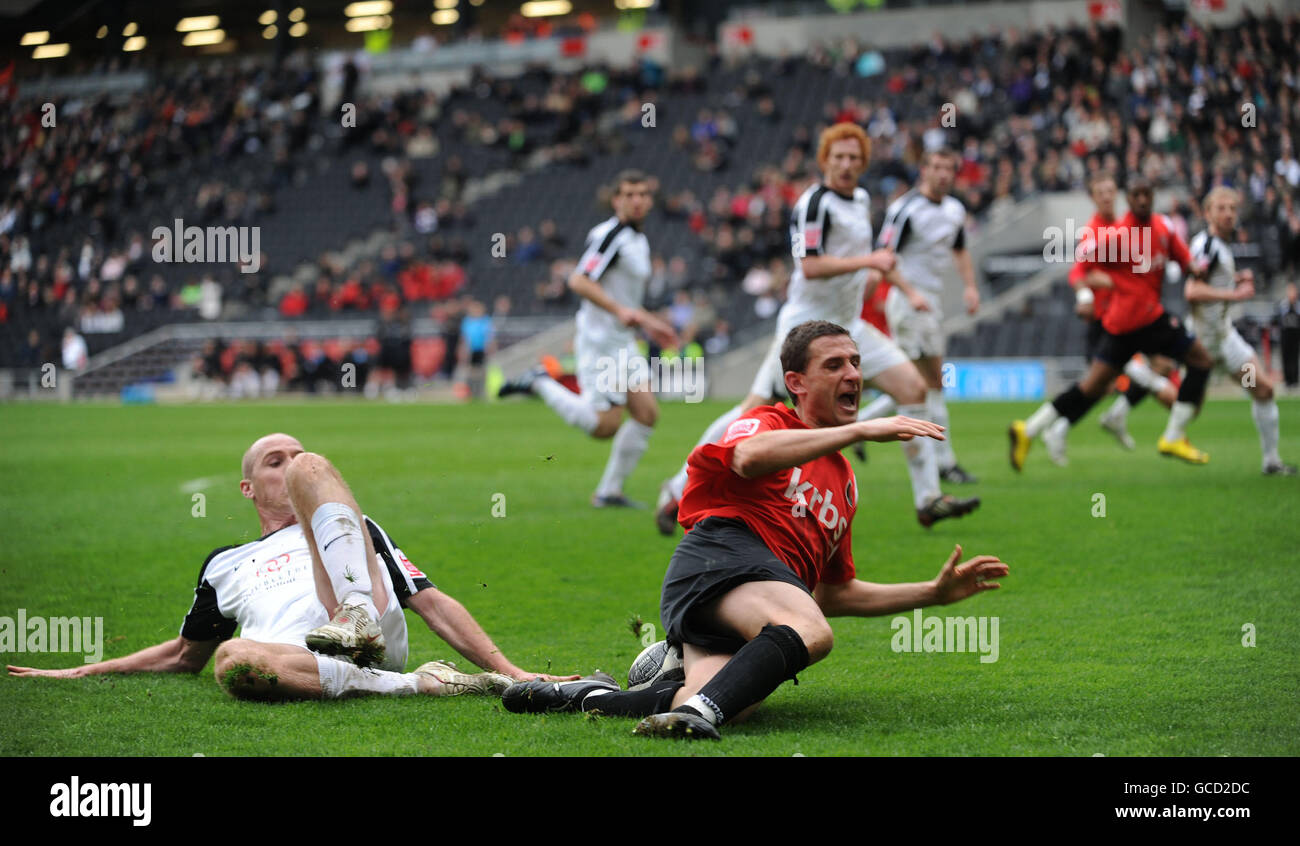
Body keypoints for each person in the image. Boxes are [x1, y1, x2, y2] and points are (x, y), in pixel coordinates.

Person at [502, 321, 1008, 740]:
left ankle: (584, 695)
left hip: (757, 593)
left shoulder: (847, 483)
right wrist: (858, 430)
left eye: (855, 362)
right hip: (718, 556)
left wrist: (933, 595)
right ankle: (701, 715)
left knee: (726, 698)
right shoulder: (765, 421)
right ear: (797, 383)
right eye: (834, 365)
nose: (852, 373)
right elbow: (746, 459)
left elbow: (832, 591)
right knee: (807, 633)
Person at [8, 433, 575, 701]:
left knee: (320, 482)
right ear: (248, 488)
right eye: (273, 462)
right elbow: (185, 656)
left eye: (292, 456)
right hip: (299, 661)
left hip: (366, 623)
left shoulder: (352, 529)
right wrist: (83, 671)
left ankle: (356, 620)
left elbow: (431, 602)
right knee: (232, 660)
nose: (289, 466)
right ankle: (412, 686)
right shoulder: (224, 564)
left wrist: (517, 671)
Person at [655, 125, 977, 532]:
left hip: (849, 326)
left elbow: (863, 261)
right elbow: (809, 265)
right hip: (804, 331)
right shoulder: (814, 203)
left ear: (863, 163)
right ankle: (679, 486)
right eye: (837, 157)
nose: (845, 165)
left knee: (914, 389)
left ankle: (929, 499)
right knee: (750, 413)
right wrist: (867, 263)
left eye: (853, 158)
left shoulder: (859, 199)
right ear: (824, 161)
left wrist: (872, 273)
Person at [498, 170, 680, 507]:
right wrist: (619, 311)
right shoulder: (611, 235)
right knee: (604, 427)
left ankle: (609, 492)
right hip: (600, 343)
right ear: (616, 200)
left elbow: (625, 300)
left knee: (646, 414)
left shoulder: (637, 240)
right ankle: (540, 382)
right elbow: (579, 281)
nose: (637, 200)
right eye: (629, 194)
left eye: (642, 193)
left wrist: (650, 323)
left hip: (621, 341)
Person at [1010, 178, 1217, 469]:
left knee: (1095, 387)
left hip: (1121, 323)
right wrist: (1086, 294)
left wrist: (1199, 269)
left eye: (1147, 194)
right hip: (1129, 319)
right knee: (1197, 361)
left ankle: (1030, 428)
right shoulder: (1112, 236)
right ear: (1122, 198)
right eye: (1135, 195)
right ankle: (1167, 433)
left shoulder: (1161, 228)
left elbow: (1184, 260)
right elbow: (1079, 270)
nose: (1142, 200)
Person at [855, 149, 980, 484]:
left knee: (920, 385)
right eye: (936, 167)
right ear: (923, 170)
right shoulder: (905, 208)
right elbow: (885, 256)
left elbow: (960, 248)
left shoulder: (954, 210)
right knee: (929, 383)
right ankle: (945, 462)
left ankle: (861, 425)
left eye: (948, 168)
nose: (942, 174)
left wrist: (970, 286)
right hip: (909, 302)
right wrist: (910, 292)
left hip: (931, 302)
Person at [1044, 172, 1179, 462]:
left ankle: (1084, 422)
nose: (1106, 196)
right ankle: (1053, 427)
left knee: (1151, 369)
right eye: (1100, 192)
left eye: (1110, 191)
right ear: (1093, 198)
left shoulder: (1123, 227)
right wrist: (1089, 294)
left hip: (1130, 319)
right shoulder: (1094, 231)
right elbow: (1081, 271)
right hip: (1108, 323)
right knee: (1101, 386)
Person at [1184, 188, 1294, 474]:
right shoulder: (1205, 245)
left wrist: (1234, 280)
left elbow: (1211, 280)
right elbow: (1193, 290)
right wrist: (1235, 295)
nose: (1228, 213)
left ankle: (1271, 461)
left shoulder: (1221, 245)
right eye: (1221, 208)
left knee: (1264, 389)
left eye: (1232, 208)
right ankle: (1132, 395)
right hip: (1203, 345)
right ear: (1207, 213)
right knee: (1187, 408)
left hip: (1225, 342)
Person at [1275, 282, 1299, 390]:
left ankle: (1294, 380)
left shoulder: (1298, 306)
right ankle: (1287, 381)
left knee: (1294, 358)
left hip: (1296, 336)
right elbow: (1277, 318)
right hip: (1285, 336)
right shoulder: (1283, 305)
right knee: (1285, 357)